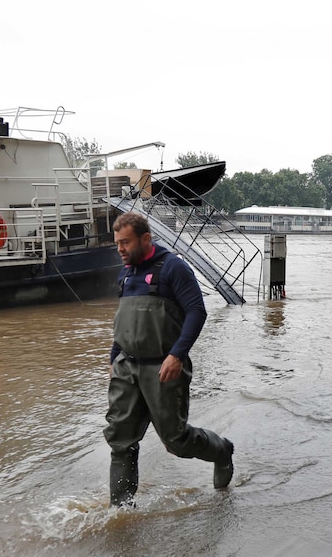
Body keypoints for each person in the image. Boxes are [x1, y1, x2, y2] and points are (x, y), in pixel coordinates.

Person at [103, 212, 233, 507]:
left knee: (176, 441)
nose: (120, 249)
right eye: (117, 243)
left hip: (163, 366)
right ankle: (121, 513)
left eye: (126, 242)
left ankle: (222, 451)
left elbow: (197, 312)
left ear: (145, 239)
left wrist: (177, 354)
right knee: (120, 441)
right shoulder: (124, 273)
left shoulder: (173, 268)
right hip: (126, 366)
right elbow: (124, 320)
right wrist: (114, 359)